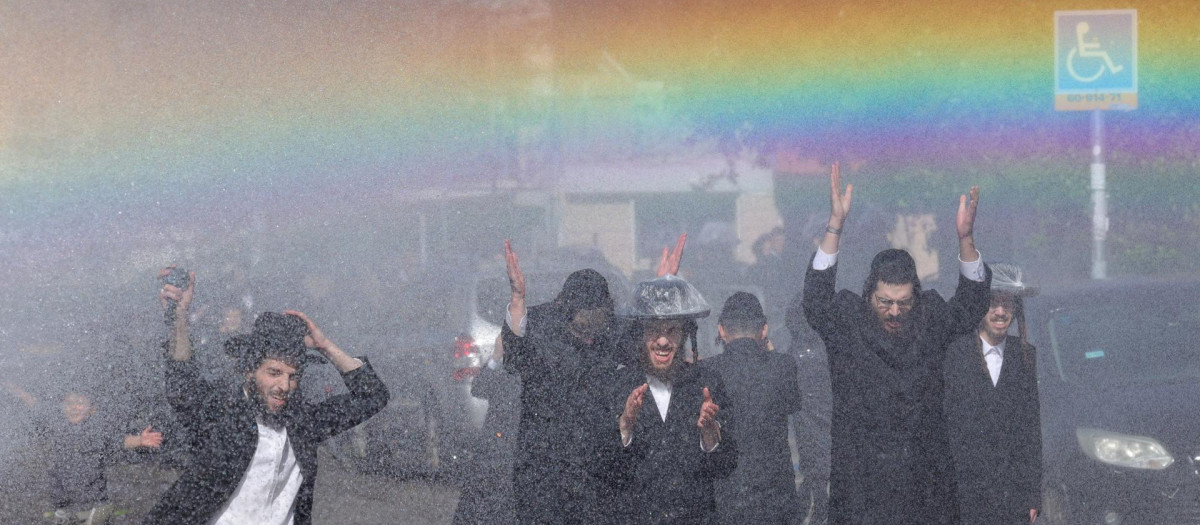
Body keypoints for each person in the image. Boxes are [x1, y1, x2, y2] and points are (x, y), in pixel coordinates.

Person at [802, 163, 991, 524]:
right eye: (885, 302)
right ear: (870, 293)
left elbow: (970, 306)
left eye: (903, 303)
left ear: (915, 297)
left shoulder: (930, 317)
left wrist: (966, 240)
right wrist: (835, 225)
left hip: (926, 492)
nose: (894, 312)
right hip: (861, 492)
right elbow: (815, 301)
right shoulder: (847, 320)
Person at [143, 268, 389, 525]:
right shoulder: (220, 413)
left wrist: (325, 346)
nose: (284, 385)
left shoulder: (304, 423)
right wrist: (179, 318)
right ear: (250, 370)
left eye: (293, 376)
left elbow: (372, 397)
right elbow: (182, 384)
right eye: (274, 372)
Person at [500, 240, 632, 524]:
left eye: (596, 328)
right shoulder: (541, 331)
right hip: (542, 477)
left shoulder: (613, 336)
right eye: (581, 327)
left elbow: (648, 340)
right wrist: (517, 297)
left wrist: (663, 288)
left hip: (597, 478)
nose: (588, 337)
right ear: (566, 314)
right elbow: (515, 355)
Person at [604, 267, 738, 524]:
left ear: (685, 335)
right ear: (641, 334)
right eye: (654, 330)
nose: (663, 341)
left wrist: (710, 434)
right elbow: (605, 469)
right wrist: (625, 426)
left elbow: (727, 466)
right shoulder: (617, 386)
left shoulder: (706, 384)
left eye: (672, 330)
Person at [943, 263, 1041, 524]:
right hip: (964, 495)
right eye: (993, 303)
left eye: (1007, 304)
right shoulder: (955, 354)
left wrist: (1032, 495)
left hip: (1011, 496)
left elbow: (1031, 429)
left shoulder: (1025, 356)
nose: (1000, 312)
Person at [701, 292, 802, 524]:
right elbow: (793, 403)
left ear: (721, 330)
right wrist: (770, 349)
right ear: (764, 329)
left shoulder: (706, 371)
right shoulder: (783, 366)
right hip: (776, 499)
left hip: (726, 496)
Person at [36, 389, 163, 525]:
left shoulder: (95, 430)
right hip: (64, 507)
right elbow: (35, 407)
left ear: (91, 409)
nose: (73, 407)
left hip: (95, 507)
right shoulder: (57, 428)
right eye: (69, 403)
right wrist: (19, 392)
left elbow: (119, 441)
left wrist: (139, 440)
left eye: (79, 403)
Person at [452, 335, 521, 525]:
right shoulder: (504, 367)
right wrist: (495, 357)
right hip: (495, 449)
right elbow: (479, 388)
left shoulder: (534, 367)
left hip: (516, 451)